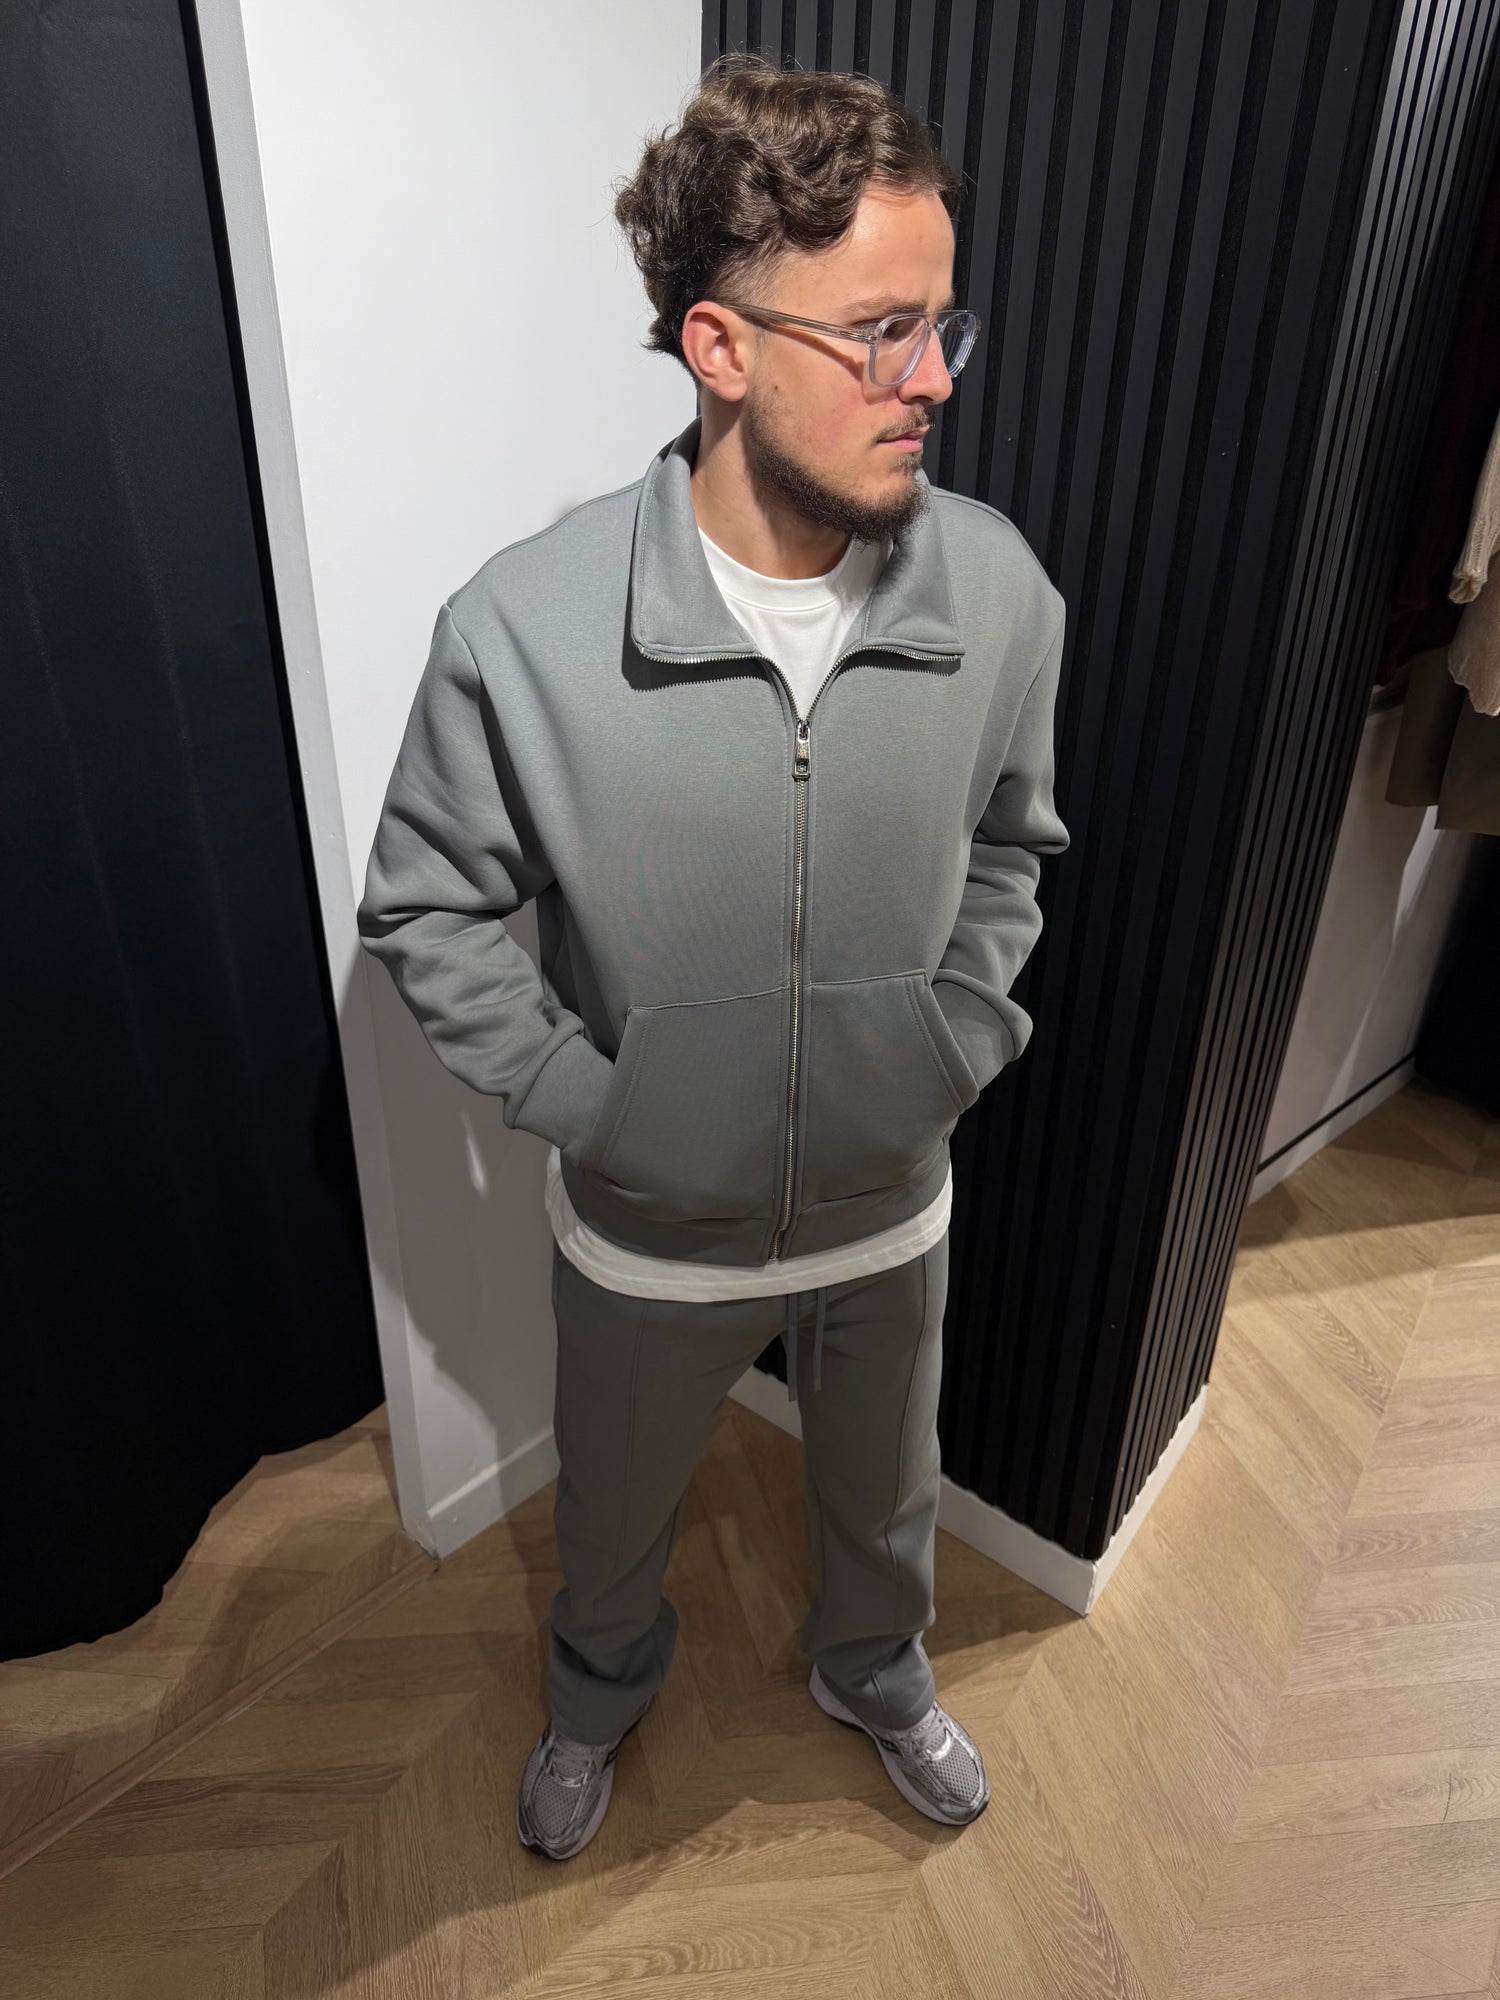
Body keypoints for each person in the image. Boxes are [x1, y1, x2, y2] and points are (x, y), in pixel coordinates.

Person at [356, 53, 1070, 1863]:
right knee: (613, 1514)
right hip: (648, 1229)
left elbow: (1013, 846)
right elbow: (430, 907)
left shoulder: (998, 596)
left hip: (891, 1200)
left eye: (944, 326)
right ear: (721, 347)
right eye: (883, 334)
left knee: (885, 1490)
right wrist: (603, 1106)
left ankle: (875, 1669)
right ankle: (596, 1696)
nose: (935, 381)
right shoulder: (522, 631)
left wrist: (949, 1041)